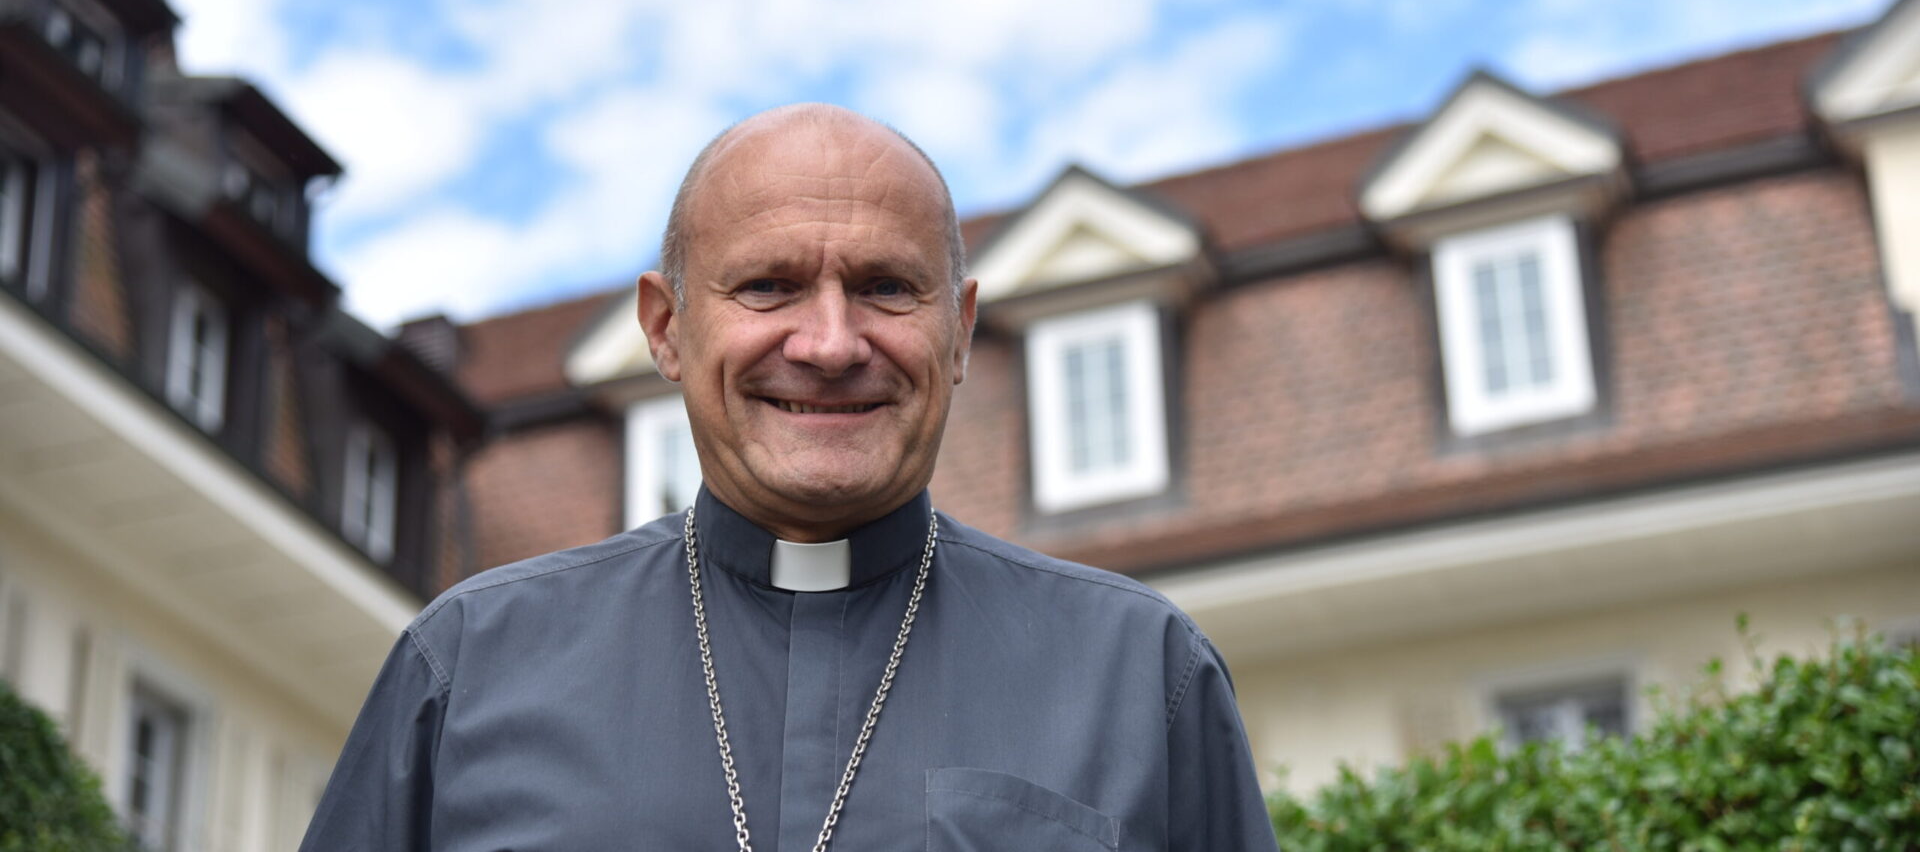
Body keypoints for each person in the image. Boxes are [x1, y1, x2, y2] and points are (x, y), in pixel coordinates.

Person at [299, 104, 1279, 851]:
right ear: (668, 327)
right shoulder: (468, 669)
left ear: (962, 330)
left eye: (887, 288)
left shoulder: (1141, 673)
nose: (829, 343)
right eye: (768, 286)